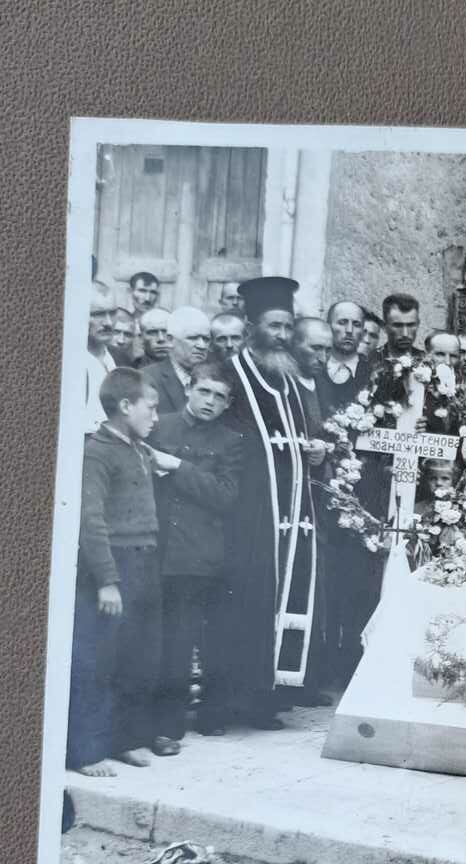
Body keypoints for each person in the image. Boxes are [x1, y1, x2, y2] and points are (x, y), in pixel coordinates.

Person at [222, 276, 324, 728]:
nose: (282, 336)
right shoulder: (231, 374)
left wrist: (316, 451)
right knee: (247, 600)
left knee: (282, 595)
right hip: (250, 513)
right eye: (273, 326)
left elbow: (299, 442)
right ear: (252, 326)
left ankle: (267, 695)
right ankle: (232, 699)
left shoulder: (289, 380)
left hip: (292, 510)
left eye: (287, 327)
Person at [68, 368, 165, 775]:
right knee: (97, 660)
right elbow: (90, 521)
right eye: (151, 407)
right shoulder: (97, 452)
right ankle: (86, 752)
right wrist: (108, 580)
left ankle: (123, 740)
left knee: (136, 657)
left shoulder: (140, 450)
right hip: (112, 568)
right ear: (125, 406)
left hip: (145, 563)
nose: (156, 417)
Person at [147, 362, 244, 742]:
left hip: (194, 558)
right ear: (188, 387)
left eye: (219, 396)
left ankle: (167, 728)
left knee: (178, 642)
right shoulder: (159, 425)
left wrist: (177, 466)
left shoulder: (231, 441)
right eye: (204, 391)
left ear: (227, 403)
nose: (210, 401)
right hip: (152, 547)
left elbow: (226, 495)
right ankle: (136, 724)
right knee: (146, 640)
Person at [142, 307, 211, 415]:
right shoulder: (146, 378)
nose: (202, 346)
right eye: (193, 338)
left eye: (206, 339)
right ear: (170, 340)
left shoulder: (217, 379)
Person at [85, 281, 119, 433]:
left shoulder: (121, 358)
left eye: (112, 313)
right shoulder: (67, 363)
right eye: (98, 314)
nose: (109, 322)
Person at [324, 301, 369, 408]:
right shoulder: (315, 368)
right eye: (342, 322)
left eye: (356, 324)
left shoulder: (371, 372)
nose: (349, 330)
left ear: (363, 332)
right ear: (328, 326)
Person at [381, 292, 420, 358]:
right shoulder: (369, 361)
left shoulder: (427, 361)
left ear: (418, 324)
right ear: (384, 327)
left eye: (411, 325)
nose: (405, 334)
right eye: (398, 326)